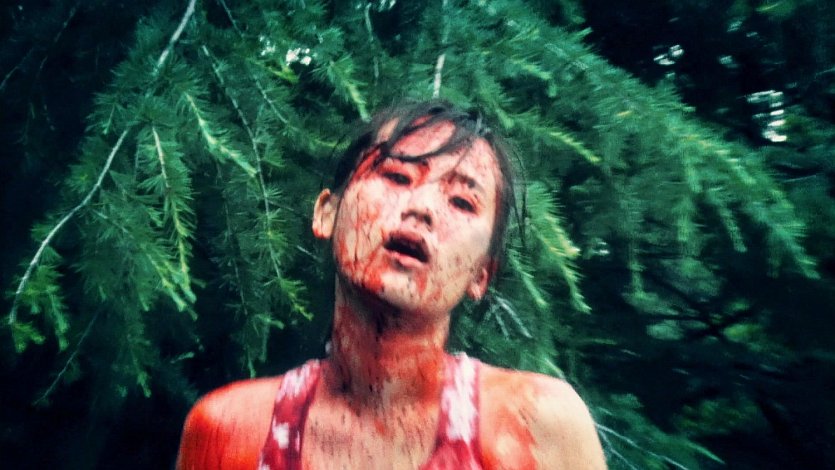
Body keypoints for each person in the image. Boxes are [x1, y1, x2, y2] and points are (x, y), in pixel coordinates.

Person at [175, 101, 607, 470]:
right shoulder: (229, 433)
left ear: (481, 275)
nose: (422, 208)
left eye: (462, 201)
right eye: (397, 176)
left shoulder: (537, 427)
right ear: (327, 213)